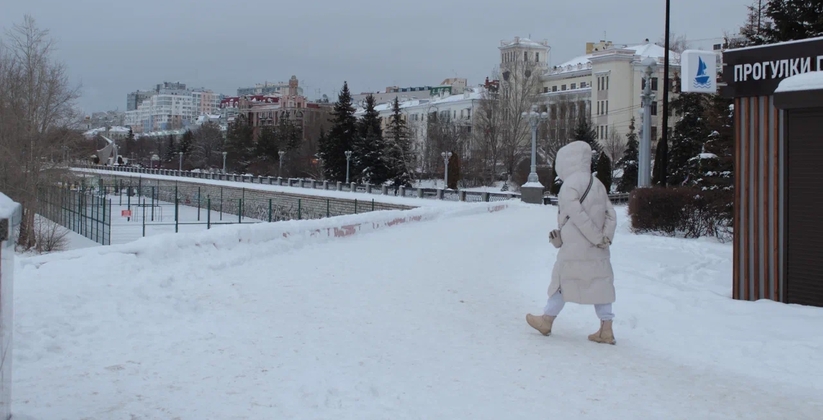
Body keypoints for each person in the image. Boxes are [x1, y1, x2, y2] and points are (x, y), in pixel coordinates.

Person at [526, 141, 618, 345]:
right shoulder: (598, 184)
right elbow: (611, 214)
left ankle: (547, 320)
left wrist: (595, 237)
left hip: (576, 247)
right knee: (600, 283)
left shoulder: (569, 185)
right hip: (599, 248)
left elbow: (578, 217)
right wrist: (605, 238)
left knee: (562, 283)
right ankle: (606, 329)